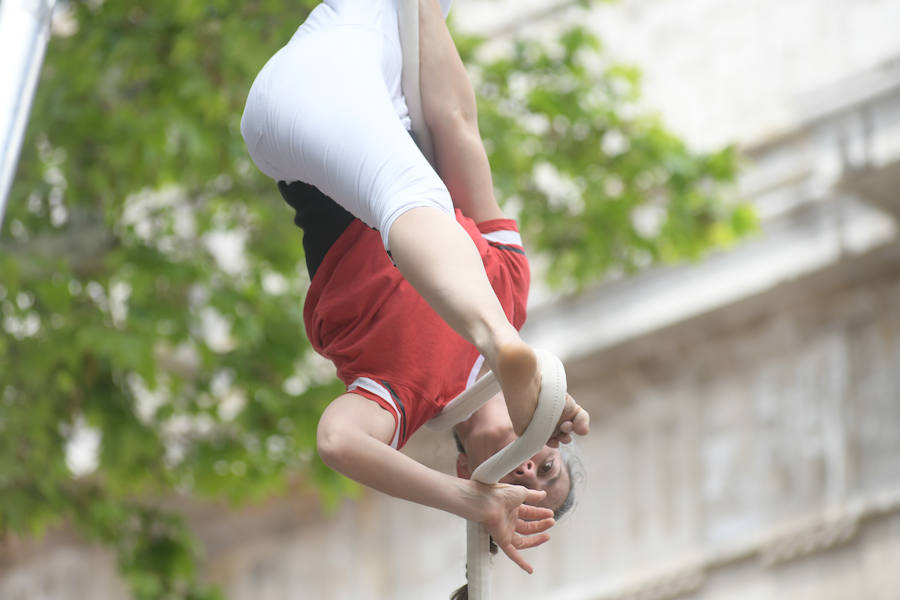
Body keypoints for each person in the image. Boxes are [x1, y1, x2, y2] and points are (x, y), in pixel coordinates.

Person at [241, 0, 590, 574]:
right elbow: (454, 122)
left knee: (409, 197)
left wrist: (473, 504)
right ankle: (500, 347)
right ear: (552, 435)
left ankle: (497, 344)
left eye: (516, 482)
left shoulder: (410, 395)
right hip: (363, 49)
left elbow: (338, 441)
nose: (526, 471)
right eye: (544, 469)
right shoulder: (510, 286)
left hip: (306, 120)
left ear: (467, 470)